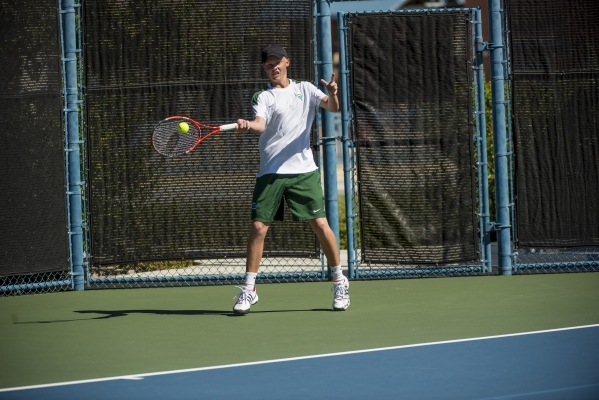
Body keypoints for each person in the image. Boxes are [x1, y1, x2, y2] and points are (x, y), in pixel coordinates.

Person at [232, 44, 350, 315]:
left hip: (303, 171)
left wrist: (333, 93)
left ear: (287, 62)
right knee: (259, 228)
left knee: (320, 224)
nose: (273, 67)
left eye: (277, 62)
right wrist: (248, 125)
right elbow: (260, 123)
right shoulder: (263, 96)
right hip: (271, 173)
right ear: (265, 69)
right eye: (268, 65)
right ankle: (249, 289)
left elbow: (332, 107)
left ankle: (339, 281)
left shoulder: (306, 89)